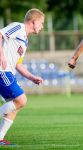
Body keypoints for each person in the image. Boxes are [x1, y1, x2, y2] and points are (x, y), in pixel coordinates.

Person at [0, 8, 45, 145]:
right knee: (21, 100)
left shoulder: (25, 41)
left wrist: (32, 77)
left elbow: (18, 65)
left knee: (15, 106)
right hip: (2, 71)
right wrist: (1, 55)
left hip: (9, 72)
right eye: (41, 23)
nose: (42, 26)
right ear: (34, 21)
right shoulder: (18, 27)